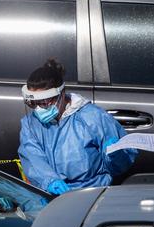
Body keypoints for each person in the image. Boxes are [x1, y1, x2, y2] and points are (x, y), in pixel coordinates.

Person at [18, 58, 137, 194]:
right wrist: (49, 181)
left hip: (92, 193)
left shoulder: (92, 117)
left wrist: (117, 154)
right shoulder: (31, 124)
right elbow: (33, 158)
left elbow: (120, 166)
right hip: (50, 193)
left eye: (44, 103)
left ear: (61, 94)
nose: (39, 109)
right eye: (33, 103)